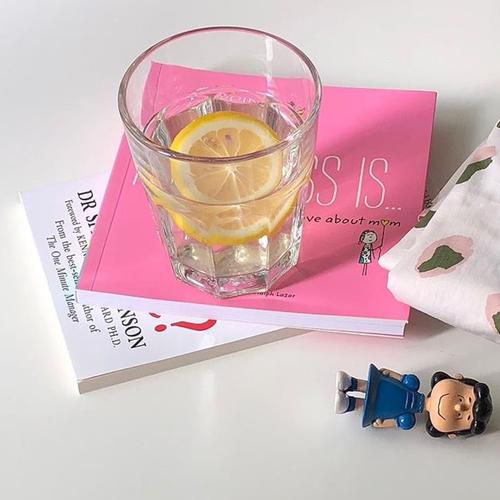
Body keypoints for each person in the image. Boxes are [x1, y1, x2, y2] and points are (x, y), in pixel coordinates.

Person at [335, 364, 492, 437]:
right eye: (463, 399)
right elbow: (402, 378)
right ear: (456, 378)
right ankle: (351, 382)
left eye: (463, 417)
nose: (458, 407)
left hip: (389, 410)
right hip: (393, 388)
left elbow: (397, 422)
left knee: (371, 407)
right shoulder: (412, 383)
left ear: (451, 434)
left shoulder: (407, 419)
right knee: (374, 385)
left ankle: (349, 404)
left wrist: (383, 423)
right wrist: (391, 374)